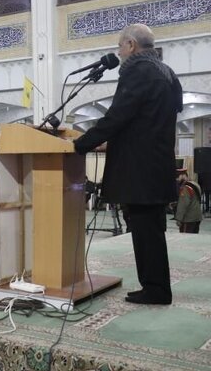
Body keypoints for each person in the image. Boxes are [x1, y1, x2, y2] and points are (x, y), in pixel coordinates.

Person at [74, 23, 182, 305]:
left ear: (131, 45)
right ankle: (156, 287)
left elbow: (118, 116)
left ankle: (156, 290)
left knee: (146, 230)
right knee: (152, 231)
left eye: (120, 46)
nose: (119, 53)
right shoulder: (167, 72)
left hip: (139, 170)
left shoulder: (137, 71)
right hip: (157, 165)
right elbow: (159, 116)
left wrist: (79, 145)